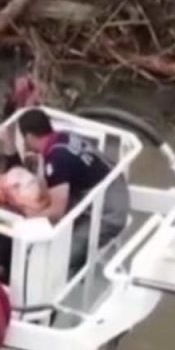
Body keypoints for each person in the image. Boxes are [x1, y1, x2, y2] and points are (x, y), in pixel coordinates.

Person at [14, 108, 130, 270]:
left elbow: (56, 212)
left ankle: (67, 273)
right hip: (114, 183)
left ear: (29, 137)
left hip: (109, 211)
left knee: (59, 259)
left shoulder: (56, 160)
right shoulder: (64, 137)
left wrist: (28, 215)